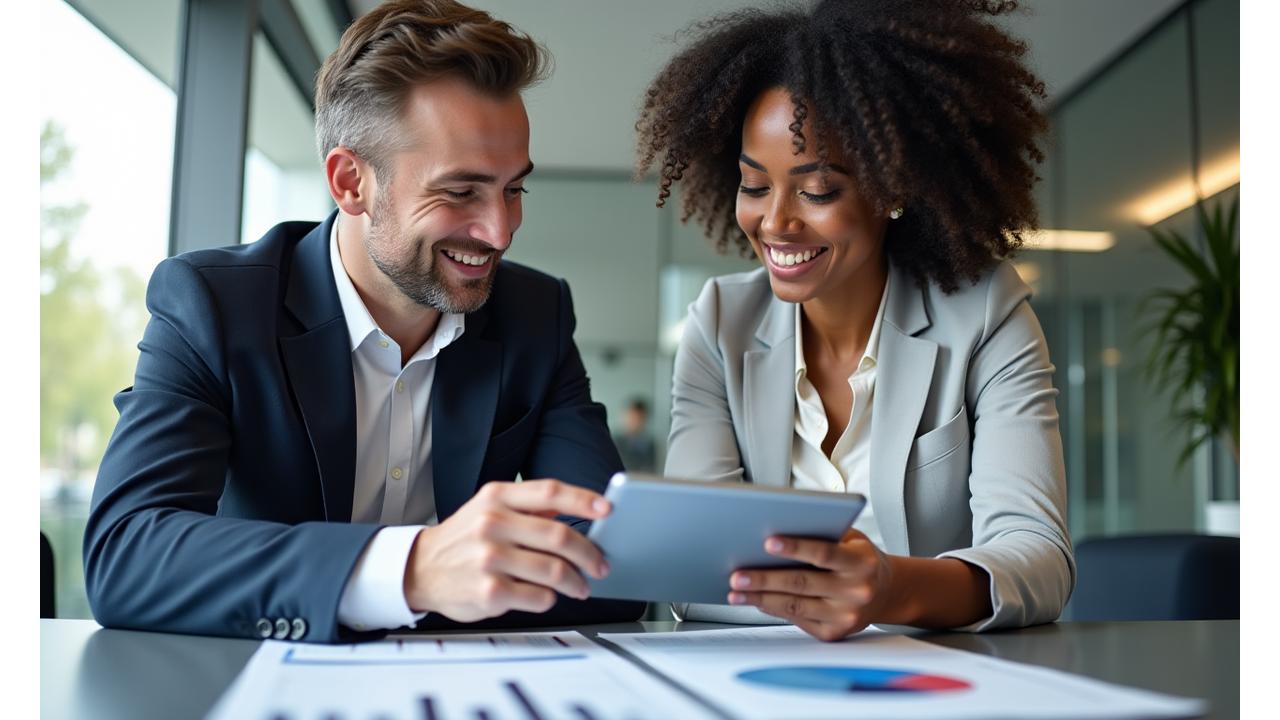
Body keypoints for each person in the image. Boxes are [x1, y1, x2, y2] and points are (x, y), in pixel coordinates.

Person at [83, 0, 643, 643]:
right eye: (461, 191)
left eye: (514, 188)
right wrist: (408, 574)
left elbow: (612, 564)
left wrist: (404, 591)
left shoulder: (534, 316)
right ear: (351, 182)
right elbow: (127, 554)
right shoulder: (211, 305)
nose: (501, 230)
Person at [636, 0, 1073, 640]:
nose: (777, 221)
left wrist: (890, 589)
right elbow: (692, 571)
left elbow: (1038, 560)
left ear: (893, 188)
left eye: (817, 191)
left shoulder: (985, 313)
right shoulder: (718, 325)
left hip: (941, 683)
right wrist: (812, 594)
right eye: (754, 186)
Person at [612, 398, 657, 473]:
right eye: (631, 417)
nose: (633, 422)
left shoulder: (650, 446)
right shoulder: (614, 441)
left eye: (637, 418)